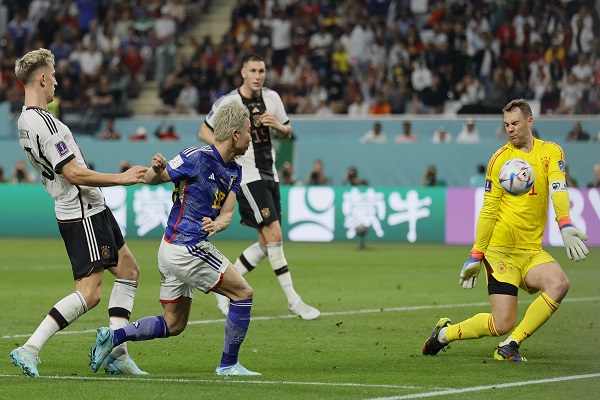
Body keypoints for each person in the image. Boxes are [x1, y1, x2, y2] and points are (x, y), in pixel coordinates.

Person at [90, 101, 261, 377]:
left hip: (173, 249)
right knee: (243, 294)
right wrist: (157, 169)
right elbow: (150, 178)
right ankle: (229, 365)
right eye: (249, 131)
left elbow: (227, 213)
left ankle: (113, 337)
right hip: (187, 246)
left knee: (173, 324)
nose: (251, 137)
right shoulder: (196, 157)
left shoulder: (234, 171)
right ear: (235, 135)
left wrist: (217, 224)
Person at [10, 48, 149, 378]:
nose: (56, 81)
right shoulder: (47, 124)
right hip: (82, 209)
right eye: (53, 75)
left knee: (129, 271)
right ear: (42, 79)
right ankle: (30, 348)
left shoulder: (24, 121)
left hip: (89, 206)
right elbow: (73, 173)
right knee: (90, 293)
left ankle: (117, 353)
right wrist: (122, 178)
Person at [423, 99, 589, 362]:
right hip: (501, 251)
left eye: (515, 123)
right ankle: (444, 335)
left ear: (529, 121)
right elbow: (489, 210)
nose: (510, 129)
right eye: (506, 125)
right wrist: (476, 255)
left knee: (559, 284)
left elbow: (558, 188)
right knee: (502, 322)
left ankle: (510, 345)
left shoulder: (551, 152)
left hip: (531, 250)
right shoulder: (499, 160)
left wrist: (565, 223)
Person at [197, 54, 320, 320]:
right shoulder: (229, 101)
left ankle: (222, 287)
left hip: (270, 173)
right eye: (252, 70)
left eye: (261, 70)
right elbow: (204, 131)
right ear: (242, 72)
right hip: (247, 175)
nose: (257, 75)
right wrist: (228, 150)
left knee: (267, 244)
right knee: (274, 235)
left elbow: (288, 131)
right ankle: (293, 300)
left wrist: (277, 125)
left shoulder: (273, 98)